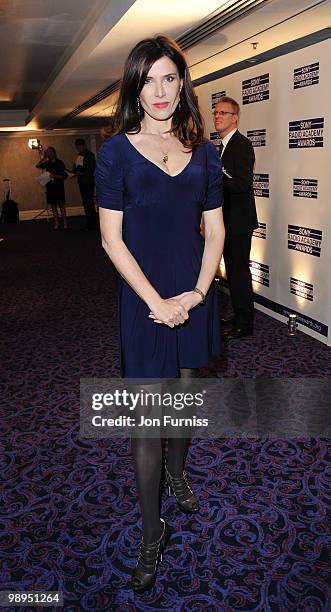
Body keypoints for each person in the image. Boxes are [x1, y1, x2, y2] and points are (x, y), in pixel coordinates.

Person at [95, 35, 224, 593]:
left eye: (170, 78)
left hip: (193, 295)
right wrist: (157, 302)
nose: (160, 91)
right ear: (133, 86)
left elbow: (216, 230)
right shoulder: (115, 153)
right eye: (148, 79)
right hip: (144, 301)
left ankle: (179, 470)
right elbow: (110, 240)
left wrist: (195, 295)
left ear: (183, 84)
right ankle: (153, 531)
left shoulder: (206, 152)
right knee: (149, 422)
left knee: (185, 402)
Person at [213, 97, 258, 339]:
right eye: (216, 112)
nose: (217, 116)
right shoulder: (222, 146)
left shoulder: (242, 144)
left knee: (239, 272)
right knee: (232, 272)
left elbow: (242, 184)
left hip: (238, 222)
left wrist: (214, 178)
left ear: (235, 117)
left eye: (223, 113)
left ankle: (245, 324)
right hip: (227, 221)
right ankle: (239, 313)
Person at [36, 147, 68, 230]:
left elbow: (64, 175)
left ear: (54, 153)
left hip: (59, 186)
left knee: (61, 205)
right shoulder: (47, 163)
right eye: (48, 153)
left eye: (50, 152)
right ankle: (56, 223)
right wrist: (43, 158)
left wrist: (55, 176)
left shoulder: (59, 163)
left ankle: (65, 223)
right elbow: (37, 165)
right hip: (50, 187)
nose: (49, 154)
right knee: (53, 205)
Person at [73, 138, 97, 229]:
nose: (79, 149)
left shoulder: (89, 155)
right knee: (86, 202)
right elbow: (78, 167)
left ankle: (92, 222)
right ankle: (89, 221)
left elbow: (91, 169)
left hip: (88, 181)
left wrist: (81, 173)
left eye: (80, 147)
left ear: (84, 146)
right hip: (82, 182)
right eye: (77, 148)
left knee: (89, 202)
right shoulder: (79, 155)